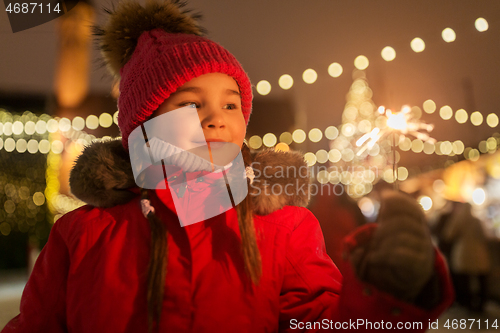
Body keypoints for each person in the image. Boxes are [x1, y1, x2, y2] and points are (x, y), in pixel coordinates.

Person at [2, 1, 454, 332]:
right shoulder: (83, 234)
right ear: (143, 126)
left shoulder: (283, 228)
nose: (217, 116)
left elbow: (323, 324)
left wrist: (386, 294)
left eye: (231, 103)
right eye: (190, 103)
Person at [443, 202, 491, 312]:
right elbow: (485, 236)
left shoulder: (458, 220)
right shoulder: (476, 220)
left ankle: (468, 304)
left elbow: (448, 235)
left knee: (465, 280)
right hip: (479, 252)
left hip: (463, 252)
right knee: (480, 279)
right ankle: (481, 304)